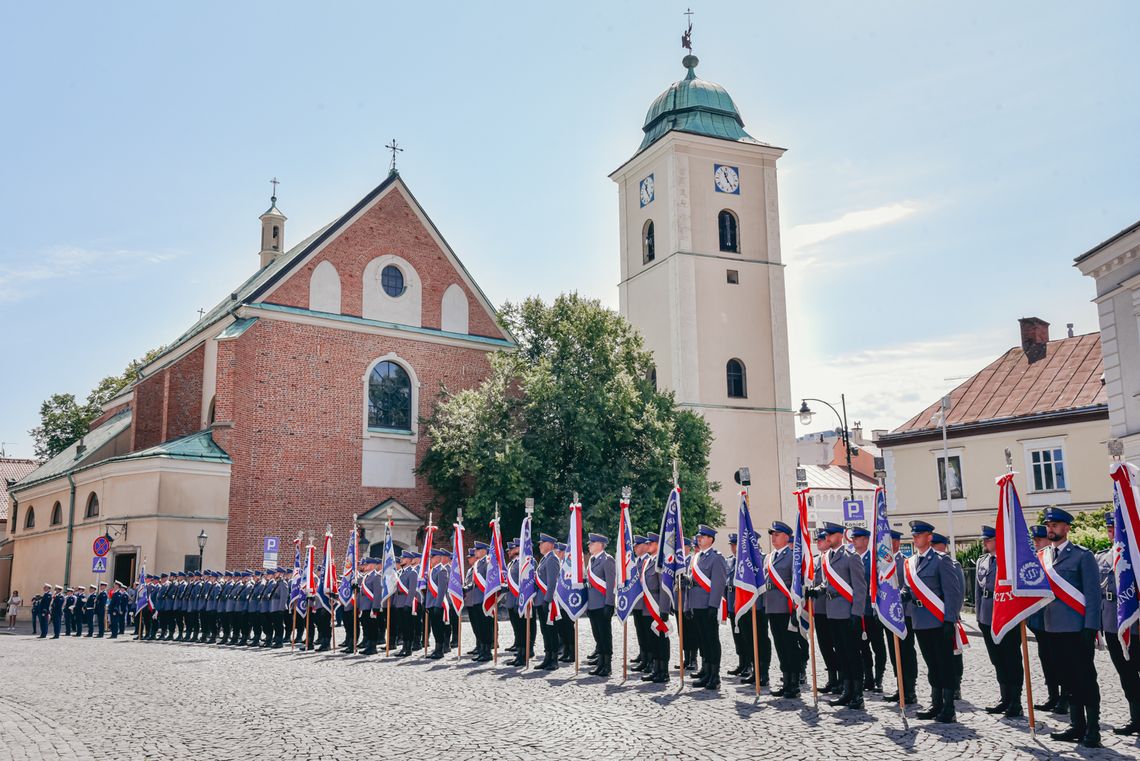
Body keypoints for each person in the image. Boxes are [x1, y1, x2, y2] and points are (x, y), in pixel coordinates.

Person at [1041, 507, 1103, 748]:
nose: (1051, 529)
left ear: (1067, 528)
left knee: (1085, 678)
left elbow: (1093, 594)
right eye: (1048, 525)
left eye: (1055, 525)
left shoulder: (1082, 556)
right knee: (1066, 679)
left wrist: (1090, 627)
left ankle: (1093, 728)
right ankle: (1076, 725)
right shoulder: (1043, 556)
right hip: (1052, 628)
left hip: (1077, 629)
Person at [904, 520, 963, 723]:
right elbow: (909, 587)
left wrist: (949, 620)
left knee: (944, 664)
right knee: (931, 665)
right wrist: (904, 594)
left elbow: (952, 593)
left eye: (918, 535)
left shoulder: (941, 560)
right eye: (913, 536)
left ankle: (948, 707)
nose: (915, 538)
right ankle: (935, 703)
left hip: (938, 621)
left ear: (929, 537)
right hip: (920, 620)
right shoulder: (911, 562)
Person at [811, 521, 868, 710]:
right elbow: (827, 583)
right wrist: (816, 591)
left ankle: (857, 694)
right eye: (826, 535)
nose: (827, 538)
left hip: (847, 612)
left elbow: (860, 588)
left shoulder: (851, 556)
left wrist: (856, 613)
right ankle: (846, 690)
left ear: (840, 535)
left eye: (830, 534)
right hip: (831, 611)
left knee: (852, 654)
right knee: (841, 654)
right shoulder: (827, 557)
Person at [975, 525, 1024, 718]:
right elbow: (978, 592)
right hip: (987, 616)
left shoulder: (1009, 562)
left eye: (988, 539)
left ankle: (1016, 700)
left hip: (1006, 616)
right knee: (997, 660)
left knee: (1011, 659)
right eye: (984, 540)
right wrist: (979, 616)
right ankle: (1004, 698)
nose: (985, 543)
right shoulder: (983, 561)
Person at [1099, 513, 1140, 735]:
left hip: (1135, 624)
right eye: (1109, 529)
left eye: (1116, 528)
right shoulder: (1103, 558)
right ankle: (1136, 718)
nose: (1112, 532)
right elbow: (1098, 593)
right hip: (1112, 624)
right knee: (1126, 673)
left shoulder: (1136, 555)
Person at [688, 524, 726, 690]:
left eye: (702, 537)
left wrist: (713, 605)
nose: (699, 539)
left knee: (711, 640)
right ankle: (706, 671)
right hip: (696, 605)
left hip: (707, 605)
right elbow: (693, 581)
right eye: (698, 536)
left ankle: (714, 675)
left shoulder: (716, 558)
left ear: (710, 539)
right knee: (702, 640)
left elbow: (718, 584)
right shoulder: (696, 558)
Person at [764, 520, 800, 698]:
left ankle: (794, 682)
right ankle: (786, 680)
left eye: (777, 534)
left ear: (786, 537)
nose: (773, 538)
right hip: (772, 607)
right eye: (772, 534)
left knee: (790, 645)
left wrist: (795, 608)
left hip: (786, 608)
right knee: (780, 645)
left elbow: (796, 585)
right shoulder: (769, 558)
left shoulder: (792, 557)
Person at [883, 530, 918, 705]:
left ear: (897, 542)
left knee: (906, 651)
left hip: (904, 614)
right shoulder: (883, 562)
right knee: (893, 651)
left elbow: (909, 586)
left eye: (892, 541)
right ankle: (900, 687)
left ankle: (910, 690)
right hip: (889, 614)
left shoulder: (905, 562)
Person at [851, 528, 887, 693]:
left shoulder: (874, 560)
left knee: (878, 646)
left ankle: (879, 677)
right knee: (862, 646)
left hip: (873, 610)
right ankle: (869, 677)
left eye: (857, 538)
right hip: (859, 610)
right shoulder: (851, 558)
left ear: (865, 540)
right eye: (853, 538)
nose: (854, 540)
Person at [640, 532, 673, 683]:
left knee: (661, 639)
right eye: (647, 543)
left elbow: (664, 588)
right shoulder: (648, 562)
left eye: (651, 543)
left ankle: (663, 671)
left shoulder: (662, 563)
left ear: (658, 545)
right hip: (648, 607)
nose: (648, 546)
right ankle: (655, 668)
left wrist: (664, 609)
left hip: (658, 606)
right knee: (651, 639)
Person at [811, 530, 839, 694]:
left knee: (837, 645)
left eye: (822, 539)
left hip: (832, 608)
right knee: (825, 646)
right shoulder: (816, 560)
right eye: (818, 540)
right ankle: (832, 678)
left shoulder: (832, 560)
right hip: (819, 609)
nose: (819, 542)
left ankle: (841, 679)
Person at [585, 533, 616, 677]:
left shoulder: (607, 560)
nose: (589, 545)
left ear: (600, 545)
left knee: (605, 636)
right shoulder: (591, 560)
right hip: (592, 605)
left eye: (592, 543)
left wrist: (609, 604)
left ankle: (607, 665)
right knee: (597, 636)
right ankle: (600, 663)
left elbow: (611, 585)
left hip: (603, 604)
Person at [535, 533, 562, 671]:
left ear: (549, 545)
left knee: (551, 631)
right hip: (541, 601)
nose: (539, 545)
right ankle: (547, 657)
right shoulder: (545, 559)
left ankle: (554, 659)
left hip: (548, 601)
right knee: (545, 631)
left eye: (542, 543)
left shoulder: (552, 559)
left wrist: (547, 600)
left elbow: (552, 583)